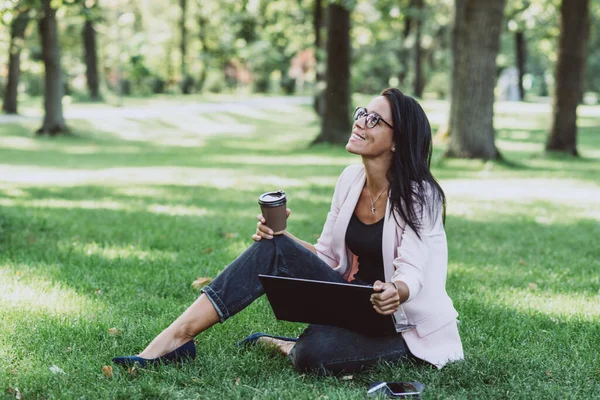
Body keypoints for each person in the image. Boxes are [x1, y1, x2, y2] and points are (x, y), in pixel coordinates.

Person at [112, 88, 464, 374]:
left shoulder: (421, 195)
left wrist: (396, 291)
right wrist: (282, 238)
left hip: (399, 322)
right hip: (349, 302)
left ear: (397, 141)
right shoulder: (350, 180)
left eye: (374, 119)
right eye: (361, 113)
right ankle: (175, 339)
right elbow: (328, 257)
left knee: (312, 356)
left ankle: (284, 342)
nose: (360, 122)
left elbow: (414, 269)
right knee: (273, 246)